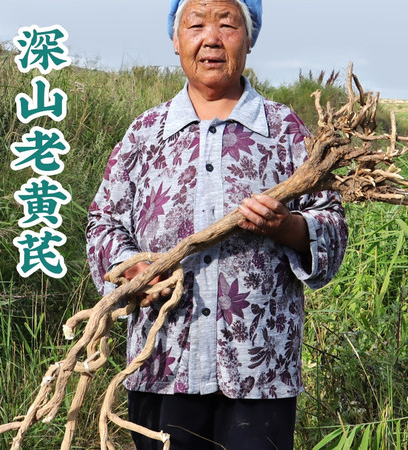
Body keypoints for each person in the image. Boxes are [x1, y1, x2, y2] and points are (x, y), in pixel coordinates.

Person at [86, 0, 348, 448]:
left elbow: (332, 225)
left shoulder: (285, 131)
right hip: (162, 363)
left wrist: (288, 227)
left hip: (259, 373)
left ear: (249, 39)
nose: (211, 37)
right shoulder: (145, 133)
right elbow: (103, 222)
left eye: (227, 24)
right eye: (196, 24)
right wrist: (131, 271)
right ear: (176, 39)